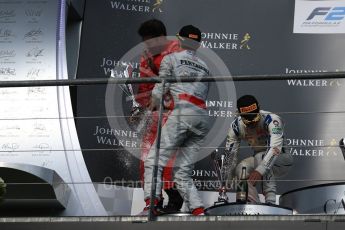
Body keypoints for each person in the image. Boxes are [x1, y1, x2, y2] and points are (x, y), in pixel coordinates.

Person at [142, 25, 210, 216]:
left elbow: (159, 90)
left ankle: (152, 204)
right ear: (198, 44)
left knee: (153, 161)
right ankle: (198, 210)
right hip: (202, 118)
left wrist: (152, 105)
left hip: (182, 113)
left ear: (179, 40)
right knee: (182, 172)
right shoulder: (205, 66)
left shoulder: (170, 58)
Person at [136, 19, 183, 212]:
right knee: (146, 159)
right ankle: (152, 203)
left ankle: (174, 197)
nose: (148, 46)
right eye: (145, 42)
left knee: (169, 159)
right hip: (155, 114)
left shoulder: (178, 50)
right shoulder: (145, 56)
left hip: (176, 113)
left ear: (162, 38)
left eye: (151, 41)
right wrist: (144, 107)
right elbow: (144, 87)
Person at [224, 95, 293, 204]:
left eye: (255, 118)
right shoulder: (236, 126)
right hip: (258, 159)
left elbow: (275, 149)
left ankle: (270, 201)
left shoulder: (272, 119)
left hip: (282, 160)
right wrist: (226, 180)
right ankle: (251, 201)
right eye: (248, 121)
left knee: (261, 156)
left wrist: (260, 170)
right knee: (241, 168)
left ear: (259, 108)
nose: (253, 123)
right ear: (239, 114)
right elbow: (231, 155)